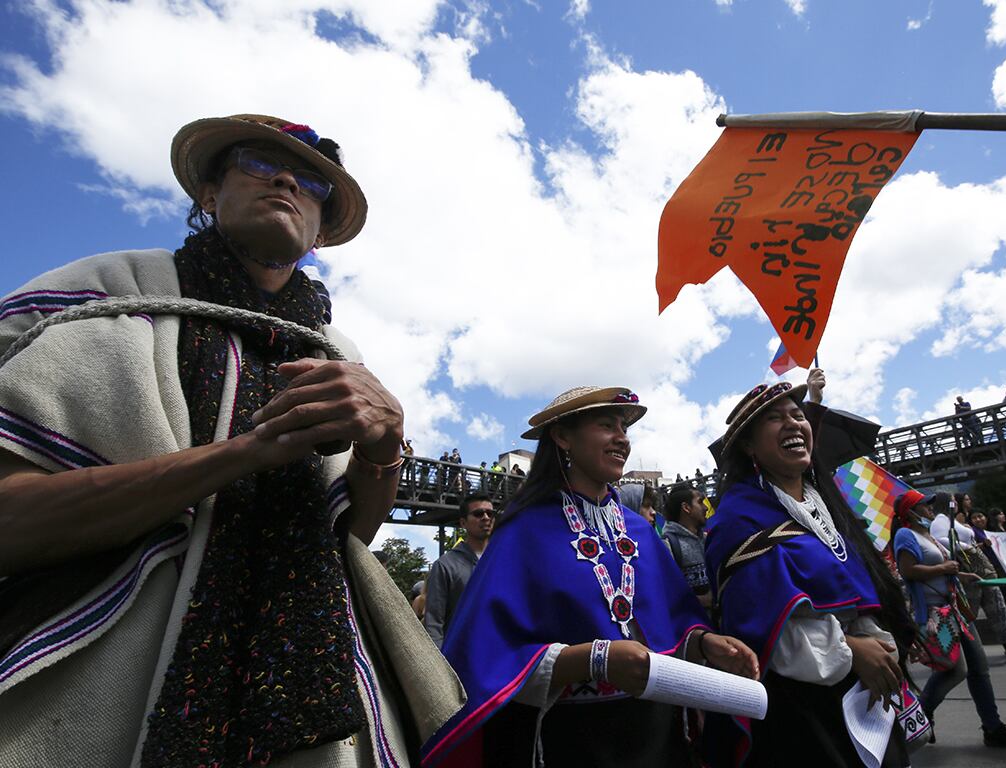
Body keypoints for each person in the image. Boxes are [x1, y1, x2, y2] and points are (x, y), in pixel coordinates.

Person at [0, 113, 462, 766]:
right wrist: (242, 455)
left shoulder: (337, 354)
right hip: (98, 681)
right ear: (209, 194)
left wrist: (385, 443)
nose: (286, 182)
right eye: (259, 162)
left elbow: (351, 534)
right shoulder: (104, 296)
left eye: (311, 182)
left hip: (315, 674)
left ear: (320, 234)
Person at [423, 386, 759, 767]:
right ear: (563, 437)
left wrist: (704, 643)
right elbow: (488, 658)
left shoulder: (641, 530)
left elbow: (673, 622)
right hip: (572, 741)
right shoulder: (523, 531)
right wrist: (596, 660)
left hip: (658, 737)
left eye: (624, 428)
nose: (622, 438)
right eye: (606, 425)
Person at [703, 382, 918, 766]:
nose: (792, 423)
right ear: (749, 446)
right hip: (800, 707)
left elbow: (858, 593)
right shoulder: (737, 520)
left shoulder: (826, 509)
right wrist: (852, 651)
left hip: (862, 690)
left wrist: (877, 645)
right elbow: (761, 628)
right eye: (775, 418)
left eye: (798, 415)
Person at [893, 491, 1006, 747]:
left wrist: (962, 576)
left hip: (956, 610)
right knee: (956, 670)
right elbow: (907, 571)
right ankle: (921, 713)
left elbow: (943, 571)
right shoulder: (905, 535)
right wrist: (943, 568)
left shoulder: (928, 534)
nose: (931, 509)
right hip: (936, 615)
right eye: (925, 505)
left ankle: (993, 728)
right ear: (910, 511)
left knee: (979, 668)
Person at [934, 493, 1006, 661]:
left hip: (982, 572)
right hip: (970, 574)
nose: (955, 503)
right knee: (970, 612)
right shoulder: (940, 521)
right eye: (953, 500)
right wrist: (965, 546)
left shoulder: (951, 520)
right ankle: (968, 652)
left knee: (998, 608)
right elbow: (940, 540)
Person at [424, 492, 494, 648]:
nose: (486, 518)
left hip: (500, 655)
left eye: (490, 513)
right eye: (478, 513)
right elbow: (434, 622)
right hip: (460, 655)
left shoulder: (503, 560)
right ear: (463, 523)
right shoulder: (445, 565)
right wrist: (439, 660)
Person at [968, 506, 1006, 658]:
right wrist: (983, 544)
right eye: (974, 517)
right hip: (992, 577)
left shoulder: (990, 532)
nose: (978, 519)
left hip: (1004, 574)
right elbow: (970, 549)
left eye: (980, 516)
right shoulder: (972, 533)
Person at [662, 483, 711, 609]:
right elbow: (667, 594)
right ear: (686, 508)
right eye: (700, 502)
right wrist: (704, 601)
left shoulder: (708, 539)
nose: (706, 508)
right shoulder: (668, 545)